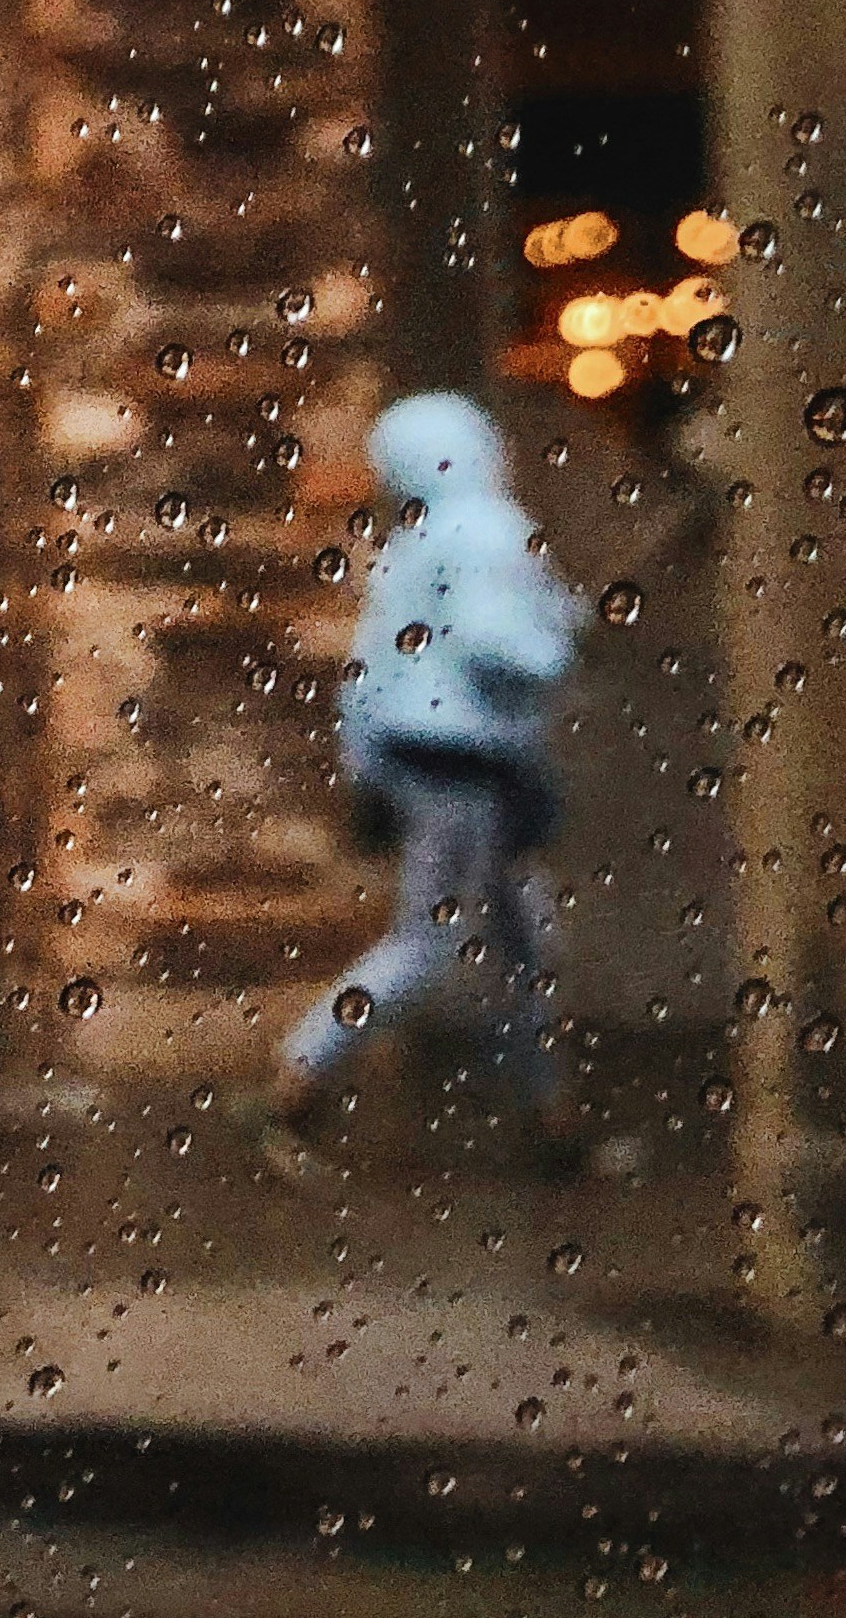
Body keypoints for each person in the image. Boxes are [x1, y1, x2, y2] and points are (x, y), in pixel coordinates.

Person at [269, 389, 584, 1159]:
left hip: (421, 753)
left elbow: (370, 668)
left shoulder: (414, 538)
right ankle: (299, 1072)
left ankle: (550, 1118)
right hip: (468, 761)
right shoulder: (487, 529)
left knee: (517, 941)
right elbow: (493, 639)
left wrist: (364, 759)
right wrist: (561, 644)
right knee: (434, 938)